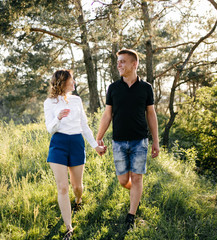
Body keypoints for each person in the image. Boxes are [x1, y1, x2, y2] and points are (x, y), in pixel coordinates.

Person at [96, 49, 159, 229]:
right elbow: (107, 115)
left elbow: (151, 115)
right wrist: (98, 138)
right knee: (124, 180)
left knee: (137, 178)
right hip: (119, 142)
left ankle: (131, 216)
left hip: (140, 140)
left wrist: (156, 141)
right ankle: (136, 194)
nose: (119, 65)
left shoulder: (146, 88)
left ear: (134, 64)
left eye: (123, 61)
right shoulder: (113, 88)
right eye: (118, 62)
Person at [44, 69, 106, 239]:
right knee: (63, 187)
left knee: (77, 187)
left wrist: (95, 146)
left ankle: (78, 200)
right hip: (59, 145)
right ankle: (68, 228)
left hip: (77, 143)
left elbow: (84, 126)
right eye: (71, 80)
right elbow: (50, 128)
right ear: (63, 82)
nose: (74, 83)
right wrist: (58, 118)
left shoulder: (77, 100)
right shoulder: (49, 103)